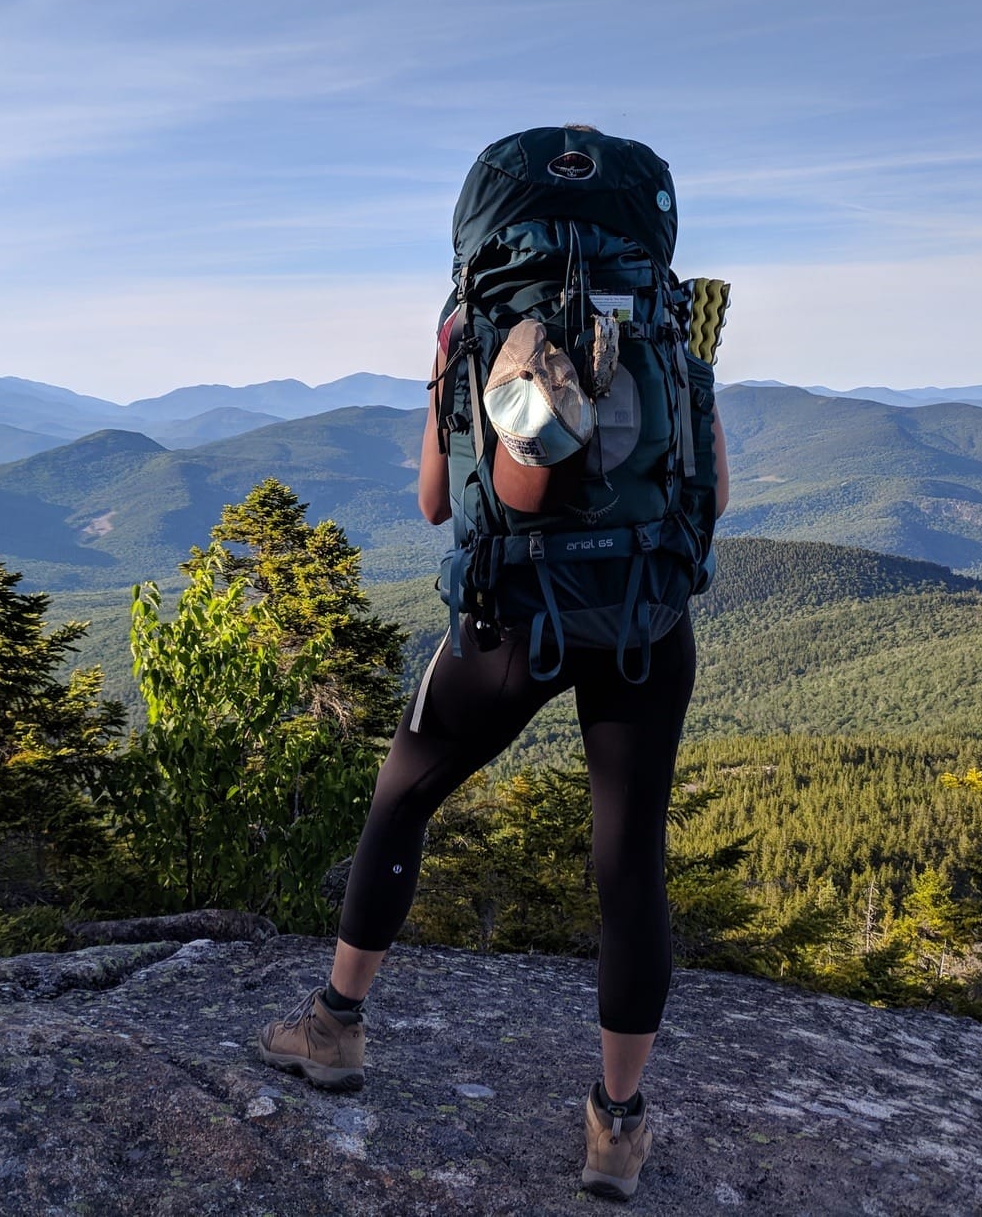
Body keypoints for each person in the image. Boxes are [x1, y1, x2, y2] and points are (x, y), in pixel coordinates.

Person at [257, 127, 729, 1203]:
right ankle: (614, 1128)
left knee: (401, 799)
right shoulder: (664, 320)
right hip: (645, 617)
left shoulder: (472, 325)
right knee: (628, 862)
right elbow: (710, 492)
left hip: (508, 618)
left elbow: (435, 501)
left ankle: (333, 1028)